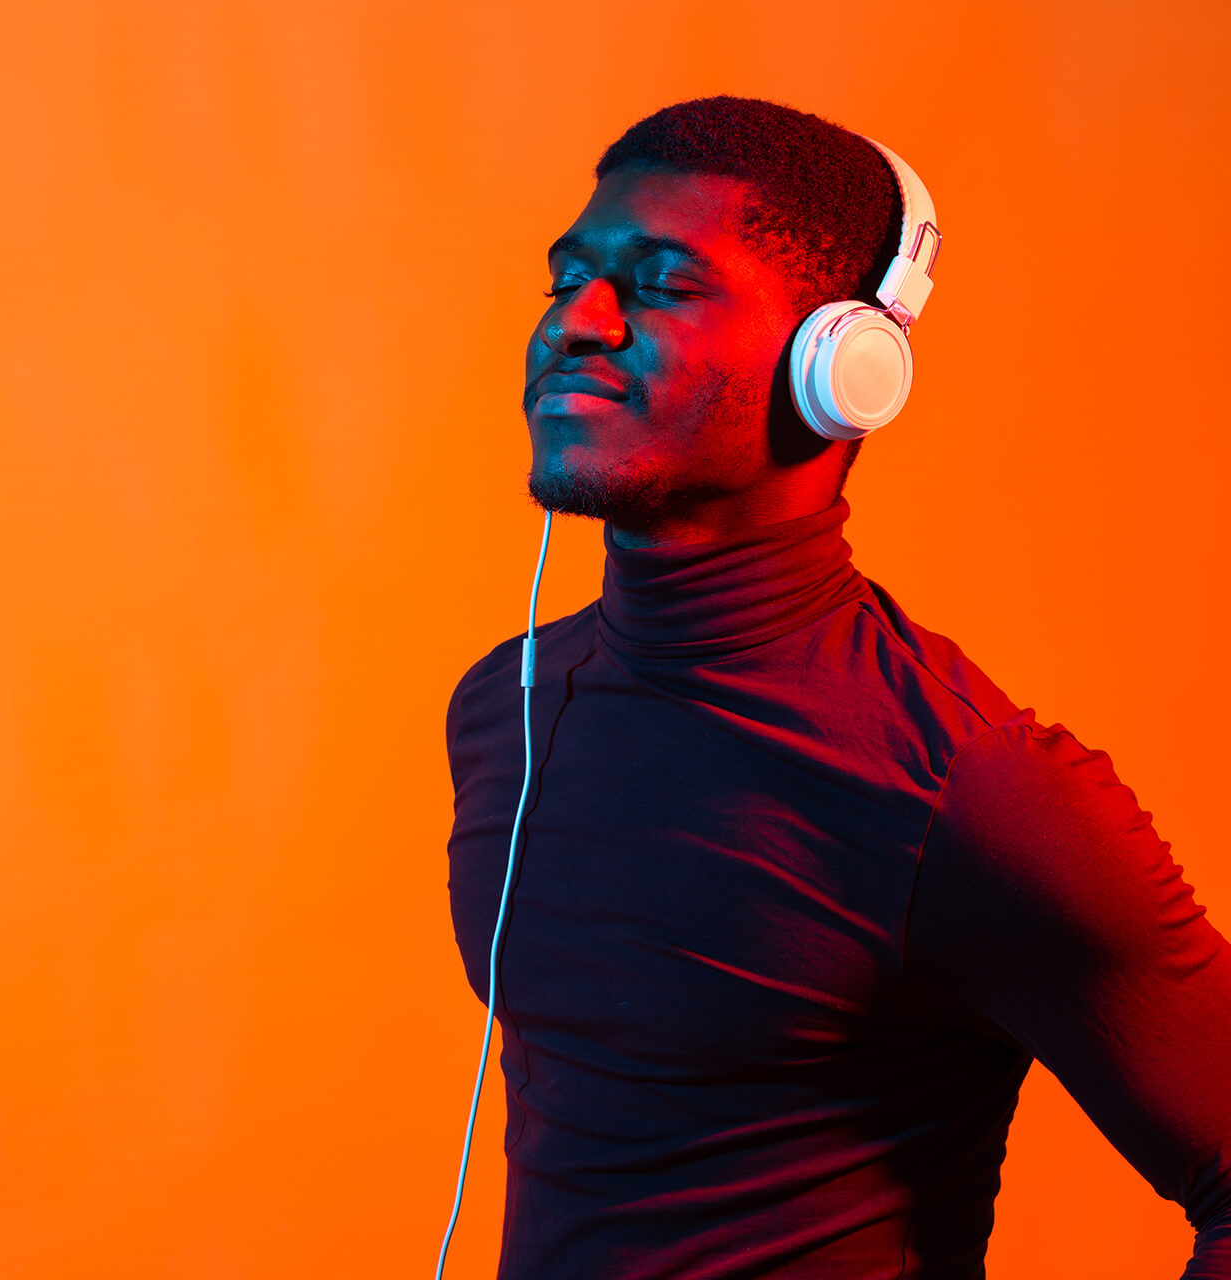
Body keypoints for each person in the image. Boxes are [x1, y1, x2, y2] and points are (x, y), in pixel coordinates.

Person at [444, 96, 1231, 1278]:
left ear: (844, 366)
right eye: (566, 281)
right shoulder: (504, 704)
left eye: (661, 284)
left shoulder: (974, 791)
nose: (575, 322)